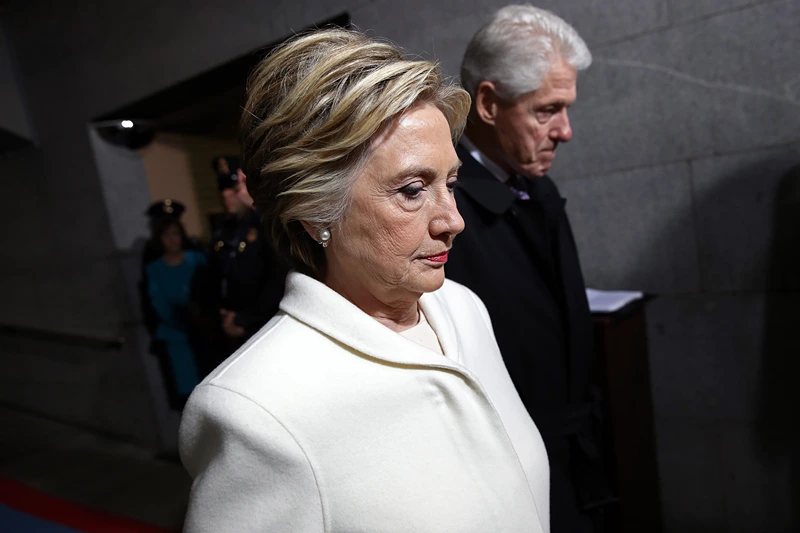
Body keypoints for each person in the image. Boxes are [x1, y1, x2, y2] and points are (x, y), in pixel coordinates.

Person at [180, 29, 550, 532]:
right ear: (314, 210)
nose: (454, 220)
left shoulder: (462, 308)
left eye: (451, 182)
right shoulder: (256, 410)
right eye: (413, 189)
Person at [445, 5, 615, 532]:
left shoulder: (539, 187)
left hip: (572, 454)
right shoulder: (442, 206)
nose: (565, 131)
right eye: (547, 111)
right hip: (506, 470)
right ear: (490, 103)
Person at [200, 155, 285, 363]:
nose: (226, 195)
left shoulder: (265, 224)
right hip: (234, 326)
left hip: (266, 324)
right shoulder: (226, 230)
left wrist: (245, 319)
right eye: (223, 189)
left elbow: (278, 275)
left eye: (234, 188)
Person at [142, 214, 206, 409]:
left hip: (204, 333)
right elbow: (157, 302)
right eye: (167, 235)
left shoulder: (197, 260)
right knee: (188, 393)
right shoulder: (154, 269)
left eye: (176, 234)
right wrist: (181, 320)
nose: (172, 239)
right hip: (176, 336)